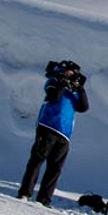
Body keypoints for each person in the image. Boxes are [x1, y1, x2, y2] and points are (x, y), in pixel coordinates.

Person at [17, 60, 89, 206]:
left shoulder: (73, 91)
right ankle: (25, 193)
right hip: (47, 127)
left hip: (64, 134)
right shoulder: (52, 81)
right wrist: (62, 82)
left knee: (55, 168)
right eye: (71, 72)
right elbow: (54, 96)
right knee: (37, 160)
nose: (73, 75)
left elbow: (84, 107)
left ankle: (44, 200)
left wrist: (80, 89)